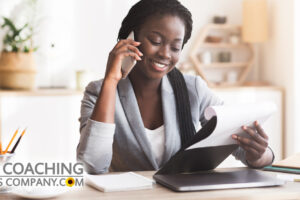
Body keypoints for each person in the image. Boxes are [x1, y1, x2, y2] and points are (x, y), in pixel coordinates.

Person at [77, 0, 274, 174]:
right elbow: (92, 165)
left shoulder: (193, 89)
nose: (165, 54)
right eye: (155, 41)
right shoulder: (98, 92)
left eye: (175, 47)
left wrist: (259, 154)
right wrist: (111, 81)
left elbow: (239, 144)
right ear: (129, 38)